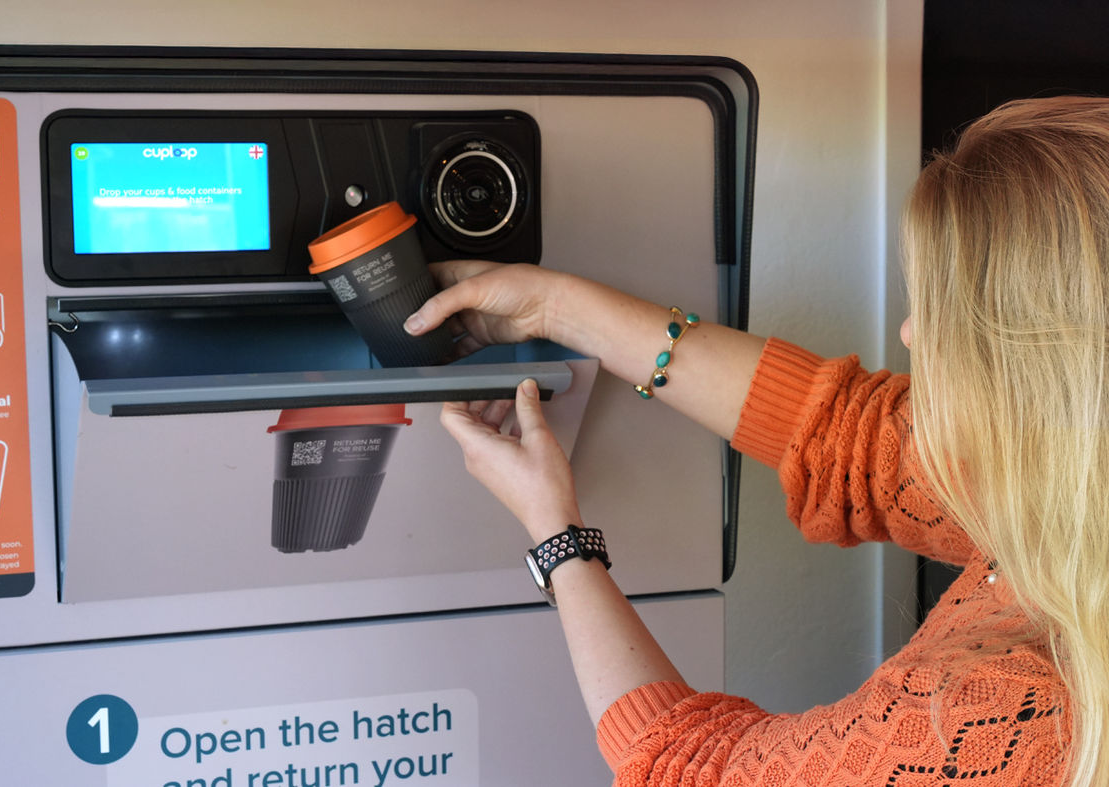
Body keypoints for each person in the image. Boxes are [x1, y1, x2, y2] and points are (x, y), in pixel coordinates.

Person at [402, 96, 1109, 786]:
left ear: (1036, 368)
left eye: (939, 314)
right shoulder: (1073, 495)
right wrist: (553, 306)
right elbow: (848, 432)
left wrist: (554, 532)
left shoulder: (1011, 717)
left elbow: (698, 770)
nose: (911, 335)